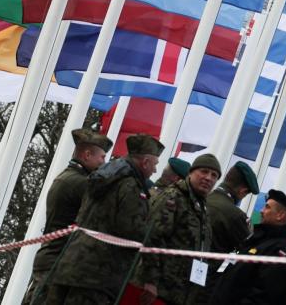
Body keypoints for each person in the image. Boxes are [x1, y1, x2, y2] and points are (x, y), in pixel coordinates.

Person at [44, 133, 163, 304]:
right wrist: (152, 274)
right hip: (98, 277)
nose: (155, 170)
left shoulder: (100, 178)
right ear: (144, 162)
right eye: (155, 164)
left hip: (69, 266)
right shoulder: (130, 186)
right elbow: (132, 230)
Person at [25, 128, 113, 303]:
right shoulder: (79, 183)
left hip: (54, 258)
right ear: (87, 155)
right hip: (58, 261)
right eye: (102, 157)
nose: (104, 162)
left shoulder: (69, 177)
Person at [135, 153, 221, 305]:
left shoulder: (202, 206)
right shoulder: (173, 197)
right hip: (158, 290)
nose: (208, 178)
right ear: (191, 173)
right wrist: (151, 281)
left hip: (179, 293)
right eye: (204, 172)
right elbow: (153, 238)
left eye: (214, 175)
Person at [209, 189, 286, 304]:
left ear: (280, 215)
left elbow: (263, 296)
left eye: (267, 207)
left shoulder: (278, 250)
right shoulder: (257, 240)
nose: (261, 211)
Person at [206, 161, 259, 254]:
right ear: (243, 191)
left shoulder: (202, 198)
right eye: (245, 194)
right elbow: (249, 250)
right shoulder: (236, 216)